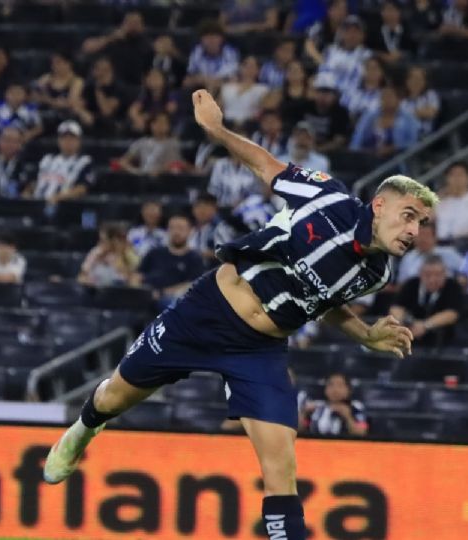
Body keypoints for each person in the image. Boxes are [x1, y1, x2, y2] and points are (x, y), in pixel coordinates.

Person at [44, 89, 435, 540]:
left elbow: (324, 303)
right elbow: (265, 164)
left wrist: (365, 334)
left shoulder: (376, 273)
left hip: (260, 349)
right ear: (380, 205)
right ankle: (81, 432)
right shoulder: (328, 198)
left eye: (421, 224)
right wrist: (214, 129)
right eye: (408, 216)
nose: (413, 231)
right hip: (205, 313)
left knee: (281, 464)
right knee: (114, 398)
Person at [390, 255, 463, 347]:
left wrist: (425, 326)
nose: (432, 279)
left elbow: (452, 313)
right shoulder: (411, 284)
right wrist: (403, 321)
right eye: (427, 275)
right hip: (410, 336)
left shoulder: (453, 286)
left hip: (443, 341)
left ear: (445, 274)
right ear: (420, 273)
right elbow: (396, 307)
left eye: (437, 275)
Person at [134, 214, 205, 306]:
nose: (176, 232)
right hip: (146, 296)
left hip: (172, 301)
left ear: (190, 231)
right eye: (172, 228)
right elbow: (137, 275)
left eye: (180, 228)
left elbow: (191, 285)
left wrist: (162, 293)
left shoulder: (194, 258)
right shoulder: (154, 252)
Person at [25, 121, 95, 204]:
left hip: (63, 207)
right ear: (58, 140)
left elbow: (82, 188)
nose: (68, 141)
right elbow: (33, 182)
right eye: (64, 137)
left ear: (79, 141)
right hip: (36, 204)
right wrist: (27, 195)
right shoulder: (47, 159)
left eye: (72, 138)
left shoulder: (84, 161)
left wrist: (59, 197)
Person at [80, 11, 151, 86]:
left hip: (133, 84)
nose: (132, 26)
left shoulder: (146, 43)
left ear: (142, 26)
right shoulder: (111, 36)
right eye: (129, 22)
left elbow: (148, 70)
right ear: (123, 24)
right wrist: (111, 38)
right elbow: (87, 48)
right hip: (108, 81)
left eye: (136, 23)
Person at [349, 86, 419, 155]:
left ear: (399, 100)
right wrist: (353, 155)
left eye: (389, 97)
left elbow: (412, 143)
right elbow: (358, 138)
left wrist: (393, 148)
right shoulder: (370, 116)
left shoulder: (408, 119)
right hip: (368, 157)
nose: (385, 100)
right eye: (383, 97)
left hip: (395, 159)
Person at [314, 15, 372, 97]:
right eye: (348, 31)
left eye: (356, 31)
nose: (352, 35)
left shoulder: (368, 56)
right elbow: (323, 76)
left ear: (362, 35)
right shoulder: (330, 51)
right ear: (341, 33)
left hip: (356, 98)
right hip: (331, 97)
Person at [73, 57, 129, 137]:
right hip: (92, 121)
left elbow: (107, 111)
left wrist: (99, 90)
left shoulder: (118, 88)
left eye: (105, 70)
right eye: (99, 69)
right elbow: (76, 104)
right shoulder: (89, 86)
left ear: (111, 71)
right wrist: (83, 113)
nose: (102, 73)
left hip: (113, 123)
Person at [302, 373, 368, 436]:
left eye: (340, 385)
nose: (335, 390)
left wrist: (348, 417)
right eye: (331, 385)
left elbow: (361, 433)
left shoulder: (356, 407)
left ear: (349, 390)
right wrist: (304, 413)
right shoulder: (316, 407)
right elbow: (299, 430)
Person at [117, 113, 184, 177]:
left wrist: (160, 171)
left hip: (165, 181)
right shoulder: (142, 142)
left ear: (168, 125)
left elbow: (175, 165)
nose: (159, 125)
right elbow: (124, 161)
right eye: (155, 122)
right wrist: (136, 172)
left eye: (163, 122)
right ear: (150, 125)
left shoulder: (173, 143)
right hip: (142, 181)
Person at [395, 221, 463, 284]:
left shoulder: (450, 254)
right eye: (419, 236)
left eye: (426, 235)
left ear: (435, 237)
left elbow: (465, 275)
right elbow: (402, 284)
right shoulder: (408, 258)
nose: (422, 239)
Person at [182, 20, 240, 94]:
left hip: (223, 89)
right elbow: (188, 78)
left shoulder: (230, 53)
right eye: (207, 36)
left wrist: (214, 82)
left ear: (221, 38)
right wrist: (202, 80)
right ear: (201, 39)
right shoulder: (197, 52)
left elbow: (233, 77)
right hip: (201, 88)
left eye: (214, 36)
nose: (211, 40)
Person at [302, 73, 352, 153]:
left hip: (329, 153)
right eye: (320, 92)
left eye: (327, 92)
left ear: (335, 95)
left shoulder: (341, 113)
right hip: (303, 148)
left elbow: (339, 141)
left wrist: (318, 150)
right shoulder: (304, 106)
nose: (323, 96)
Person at [78, 222, 139, 287]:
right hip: (95, 290)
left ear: (114, 240)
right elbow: (81, 277)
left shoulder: (129, 253)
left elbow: (132, 278)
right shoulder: (96, 251)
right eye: (100, 240)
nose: (100, 243)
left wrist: (120, 254)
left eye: (103, 240)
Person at [32, 51, 84, 126]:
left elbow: (71, 103)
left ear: (68, 64)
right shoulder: (46, 78)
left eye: (58, 63)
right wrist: (55, 102)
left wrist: (48, 100)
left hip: (67, 117)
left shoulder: (76, 81)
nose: (54, 66)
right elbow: (35, 96)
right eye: (53, 63)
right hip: (46, 115)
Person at [127, 68, 180, 136]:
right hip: (151, 124)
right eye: (150, 77)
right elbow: (133, 110)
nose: (153, 79)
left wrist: (147, 116)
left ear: (163, 80)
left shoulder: (171, 93)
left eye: (156, 77)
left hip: (170, 123)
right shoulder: (145, 94)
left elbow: (169, 110)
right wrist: (138, 119)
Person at [220, 56, 270, 127]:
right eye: (246, 65)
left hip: (250, 125)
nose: (249, 69)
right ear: (240, 67)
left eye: (252, 66)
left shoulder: (263, 89)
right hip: (227, 124)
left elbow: (261, 111)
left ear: (258, 70)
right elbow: (218, 107)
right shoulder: (227, 87)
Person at [400, 66, 441, 138]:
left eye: (419, 79)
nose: (416, 82)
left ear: (425, 82)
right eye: (413, 78)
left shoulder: (430, 95)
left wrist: (408, 115)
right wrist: (419, 113)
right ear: (407, 82)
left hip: (423, 136)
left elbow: (431, 113)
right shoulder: (402, 99)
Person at [188, 192, 219, 263]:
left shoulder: (221, 229)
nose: (202, 211)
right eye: (198, 207)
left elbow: (228, 253)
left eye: (206, 207)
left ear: (214, 210)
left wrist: (203, 254)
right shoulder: (190, 228)